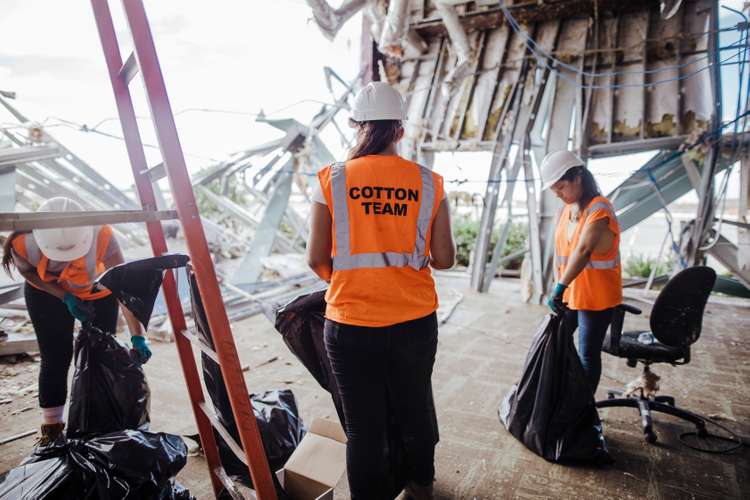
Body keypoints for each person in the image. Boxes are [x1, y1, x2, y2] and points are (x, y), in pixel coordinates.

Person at [306, 81, 455, 500]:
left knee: (362, 428)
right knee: (415, 410)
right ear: (400, 131)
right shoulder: (429, 183)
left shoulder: (332, 180)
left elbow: (316, 258)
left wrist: (353, 284)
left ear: (357, 126)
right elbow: (444, 258)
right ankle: (420, 490)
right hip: (414, 322)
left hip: (350, 324)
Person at [1, 197, 152, 445]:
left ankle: (100, 425)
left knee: (101, 355)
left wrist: (138, 335)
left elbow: (125, 288)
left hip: (97, 292)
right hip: (47, 293)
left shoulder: (103, 235)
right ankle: (51, 431)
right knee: (56, 356)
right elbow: (28, 272)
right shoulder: (22, 242)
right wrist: (64, 296)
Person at [541, 150, 622, 394]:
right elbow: (563, 254)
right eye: (554, 190)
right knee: (554, 343)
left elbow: (584, 250)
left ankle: (583, 412)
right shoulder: (567, 209)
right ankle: (561, 397)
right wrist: (560, 287)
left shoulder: (599, 209)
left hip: (596, 298)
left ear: (578, 177)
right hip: (572, 294)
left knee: (587, 353)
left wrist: (559, 287)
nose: (558, 194)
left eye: (561, 187)